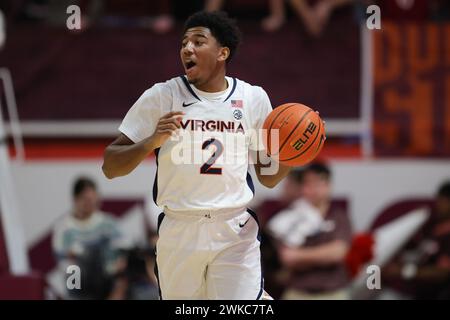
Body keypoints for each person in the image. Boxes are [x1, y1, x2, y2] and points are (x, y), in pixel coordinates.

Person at [102, 11, 298, 300]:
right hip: (180, 229)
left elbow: (268, 176)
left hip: (234, 229)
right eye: (183, 43)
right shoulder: (163, 95)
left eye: (198, 41)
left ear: (222, 52)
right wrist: (150, 141)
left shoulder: (253, 98)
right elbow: (110, 166)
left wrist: (294, 154)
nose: (187, 48)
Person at [267, 163, 352, 299]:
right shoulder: (288, 217)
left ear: (328, 186)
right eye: (308, 184)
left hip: (333, 292)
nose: (313, 189)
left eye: (319, 183)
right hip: (298, 292)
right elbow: (288, 257)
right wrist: (324, 255)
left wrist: (301, 256)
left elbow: (338, 253)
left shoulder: (338, 216)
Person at [52, 177, 128, 299]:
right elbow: (65, 266)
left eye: (92, 199)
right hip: (80, 288)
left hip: (109, 286)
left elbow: (125, 256)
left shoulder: (109, 224)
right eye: (85, 199)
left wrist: (118, 288)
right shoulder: (64, 229)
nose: (89, 203)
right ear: (75, 199)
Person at [383, 181, 450, 300]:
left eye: (444, 202)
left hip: (435, 292)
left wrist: (404, 271)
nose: (439, 205)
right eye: (438, 200)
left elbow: (443, 273)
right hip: (412, 287)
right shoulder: (432, 225)